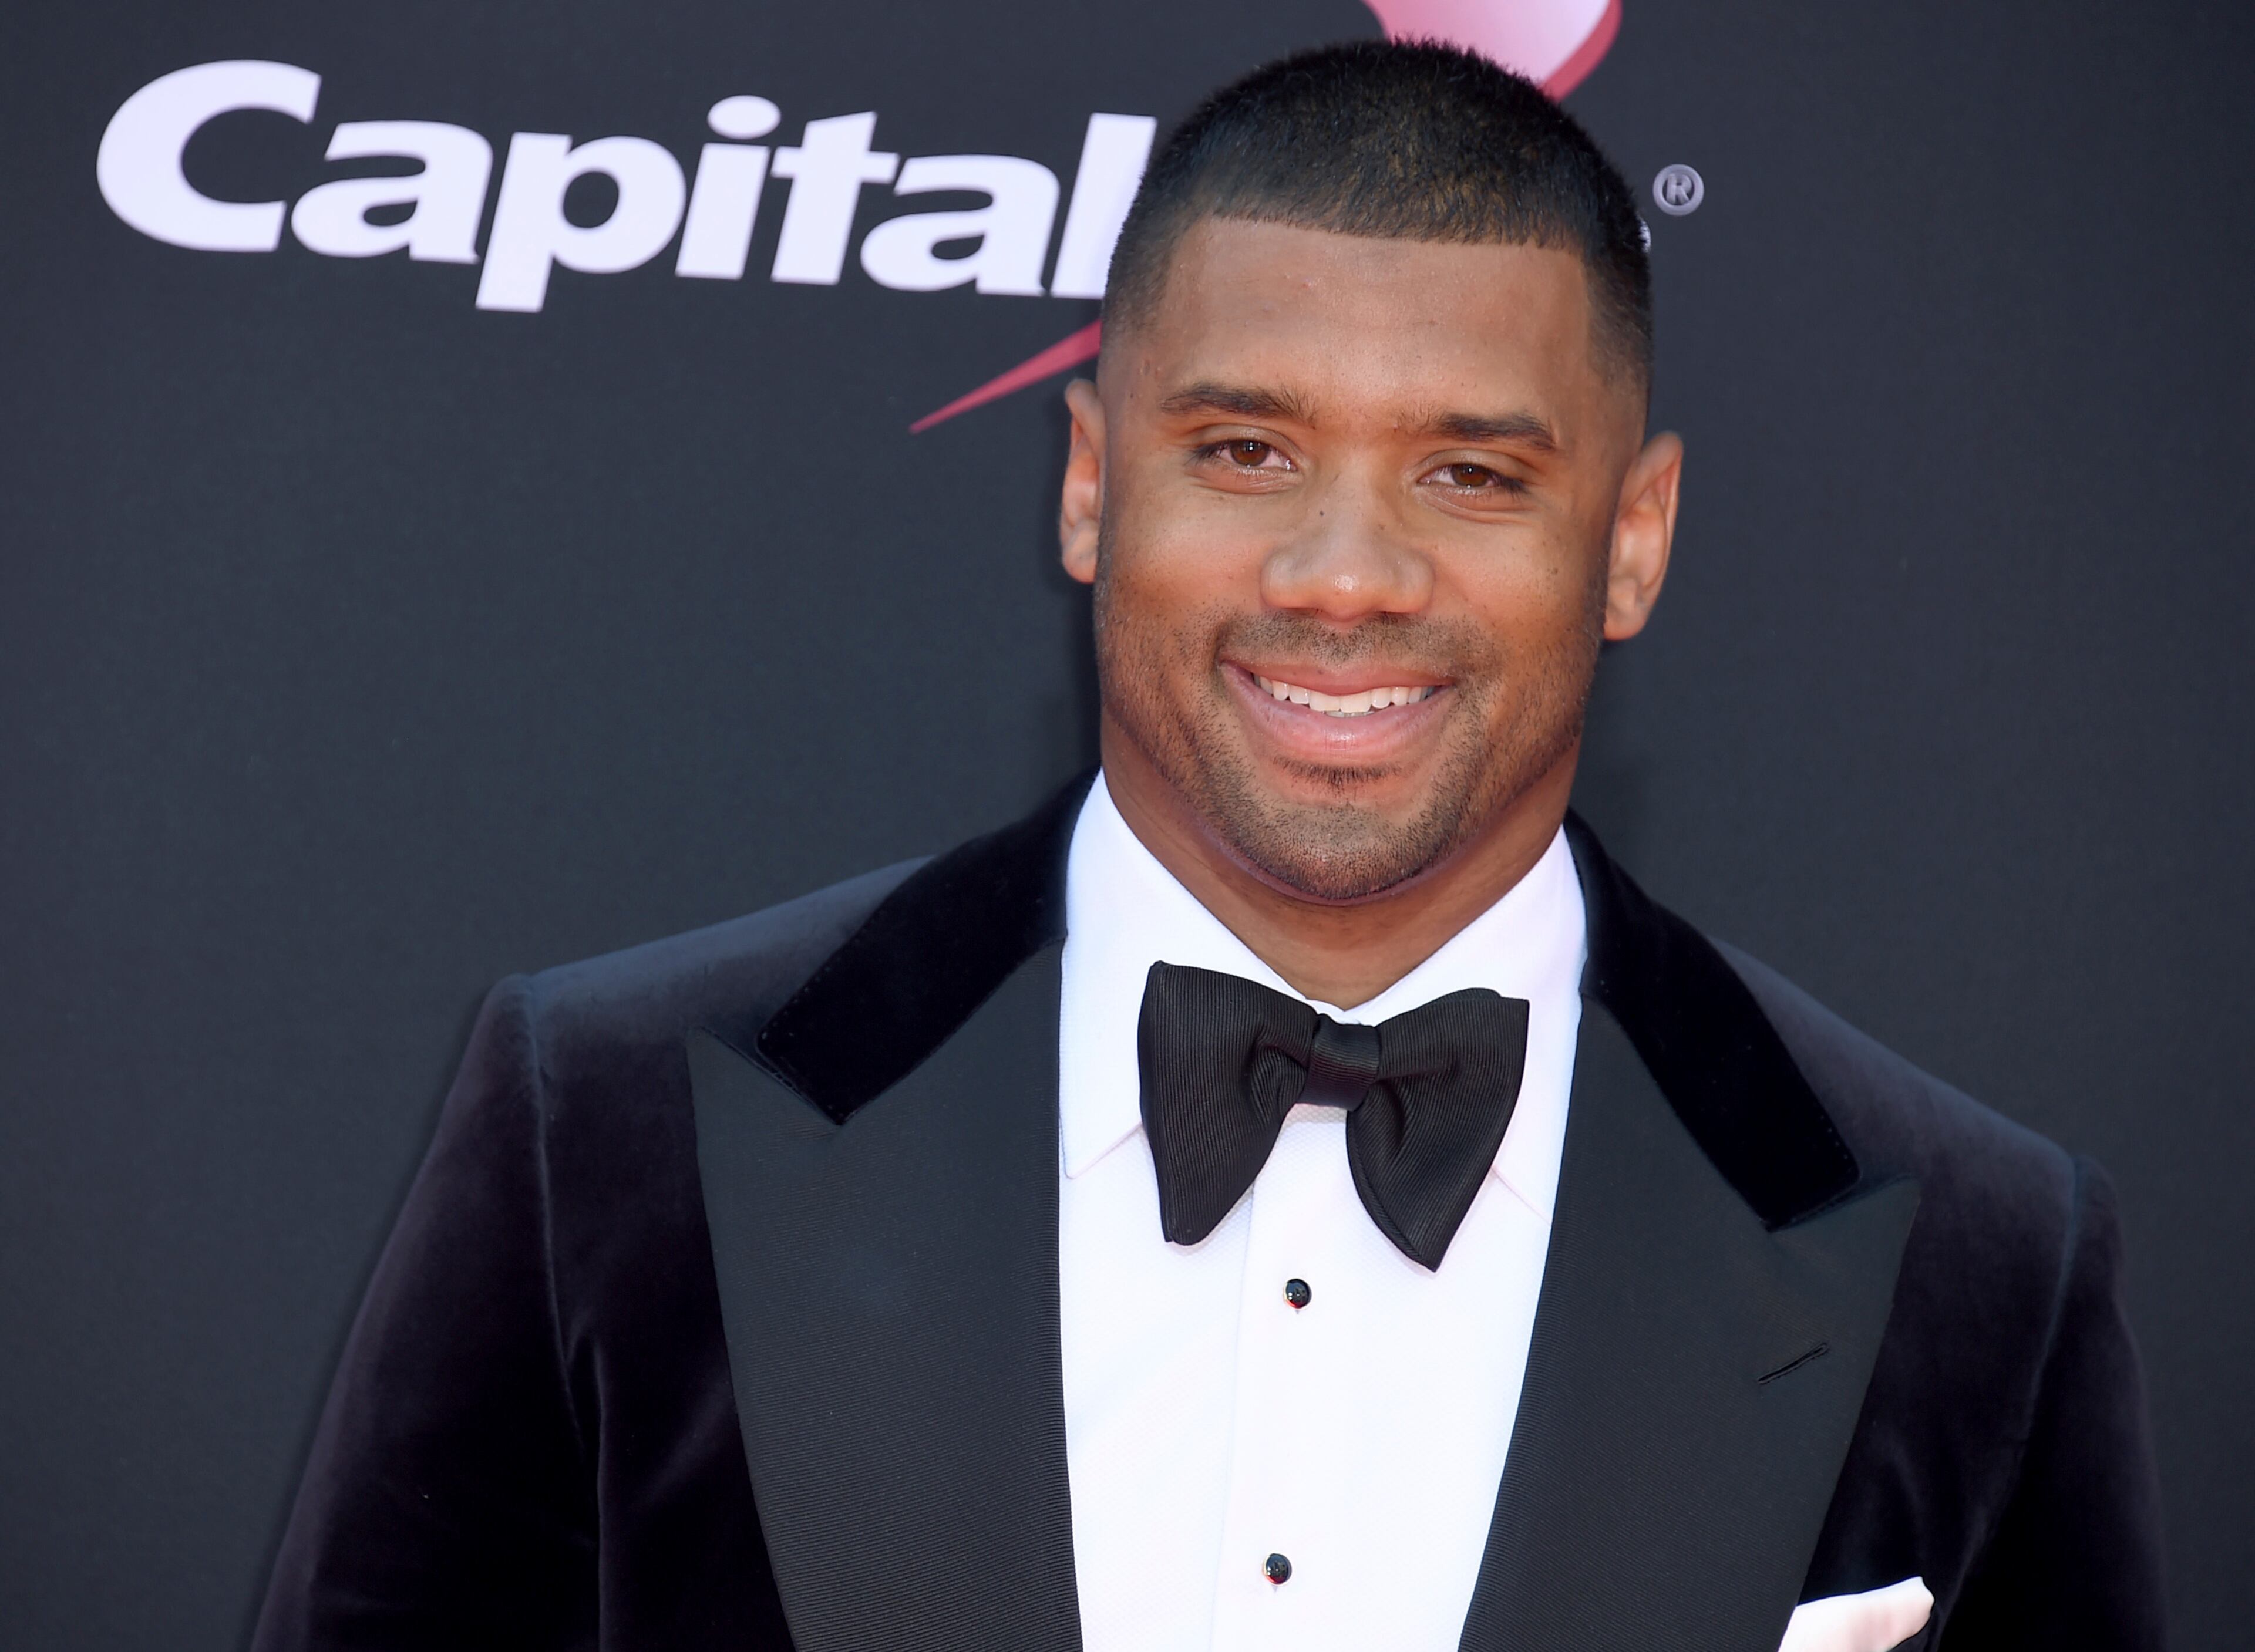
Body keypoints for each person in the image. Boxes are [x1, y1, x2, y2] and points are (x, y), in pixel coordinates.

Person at [251, 41, 2165, 1652]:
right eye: (1247, 451)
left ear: (1636, 538)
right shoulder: (606, 1131)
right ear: (1092, 482)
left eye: (1472, 474)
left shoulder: (1973, 1261)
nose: (1346, 578)